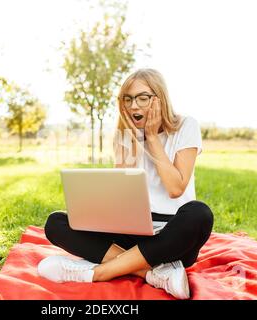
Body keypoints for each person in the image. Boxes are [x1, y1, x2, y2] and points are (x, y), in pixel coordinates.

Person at [37, 68, 214, 299]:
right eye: (128, 99)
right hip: (133, 233)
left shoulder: (186, 126)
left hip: (172, 237)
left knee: (199, 213)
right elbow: (123, 195)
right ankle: (151, 273)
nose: (134, 106)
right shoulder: (125, 134)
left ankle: (99, 272)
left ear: (160, 98)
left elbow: (175, 188)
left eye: (142, 97)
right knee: (56, 223)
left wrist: (151, 138)